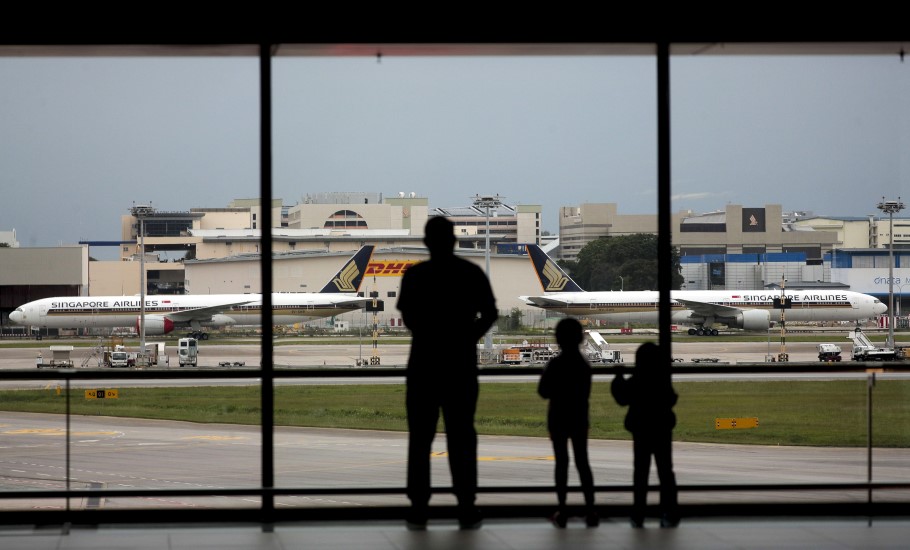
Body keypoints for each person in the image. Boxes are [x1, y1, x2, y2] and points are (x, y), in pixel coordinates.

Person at [396, 216, 498, 530]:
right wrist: (467, 336)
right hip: (460, 366)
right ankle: (466, 506)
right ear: (454, 241)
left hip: (424, 365)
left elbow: (408, 316)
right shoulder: (470, 273)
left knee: (420, 440)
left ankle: (419, 509)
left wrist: (429, 335)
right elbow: (491, 313)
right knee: (462, 438)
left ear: (426, 243)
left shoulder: (415, 275)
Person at [611, 341, 679, 528]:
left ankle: (638, 514)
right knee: (666, 472)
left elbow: (622, 398)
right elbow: (672, 398)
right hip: (662, 429)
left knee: (641, 473)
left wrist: (618, 377)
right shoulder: (661, 379)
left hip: (641, 429)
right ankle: (670, 512)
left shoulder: (638, 379)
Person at [537, 318, 598, 528]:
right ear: (581, 338)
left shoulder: (555, 364)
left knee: (561, 464)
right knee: (583, 462)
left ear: (558, 339)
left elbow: (543, 392)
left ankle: (562, 509)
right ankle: (591, 510)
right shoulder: (584, 365)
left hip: (558, 417)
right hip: (579, 416)